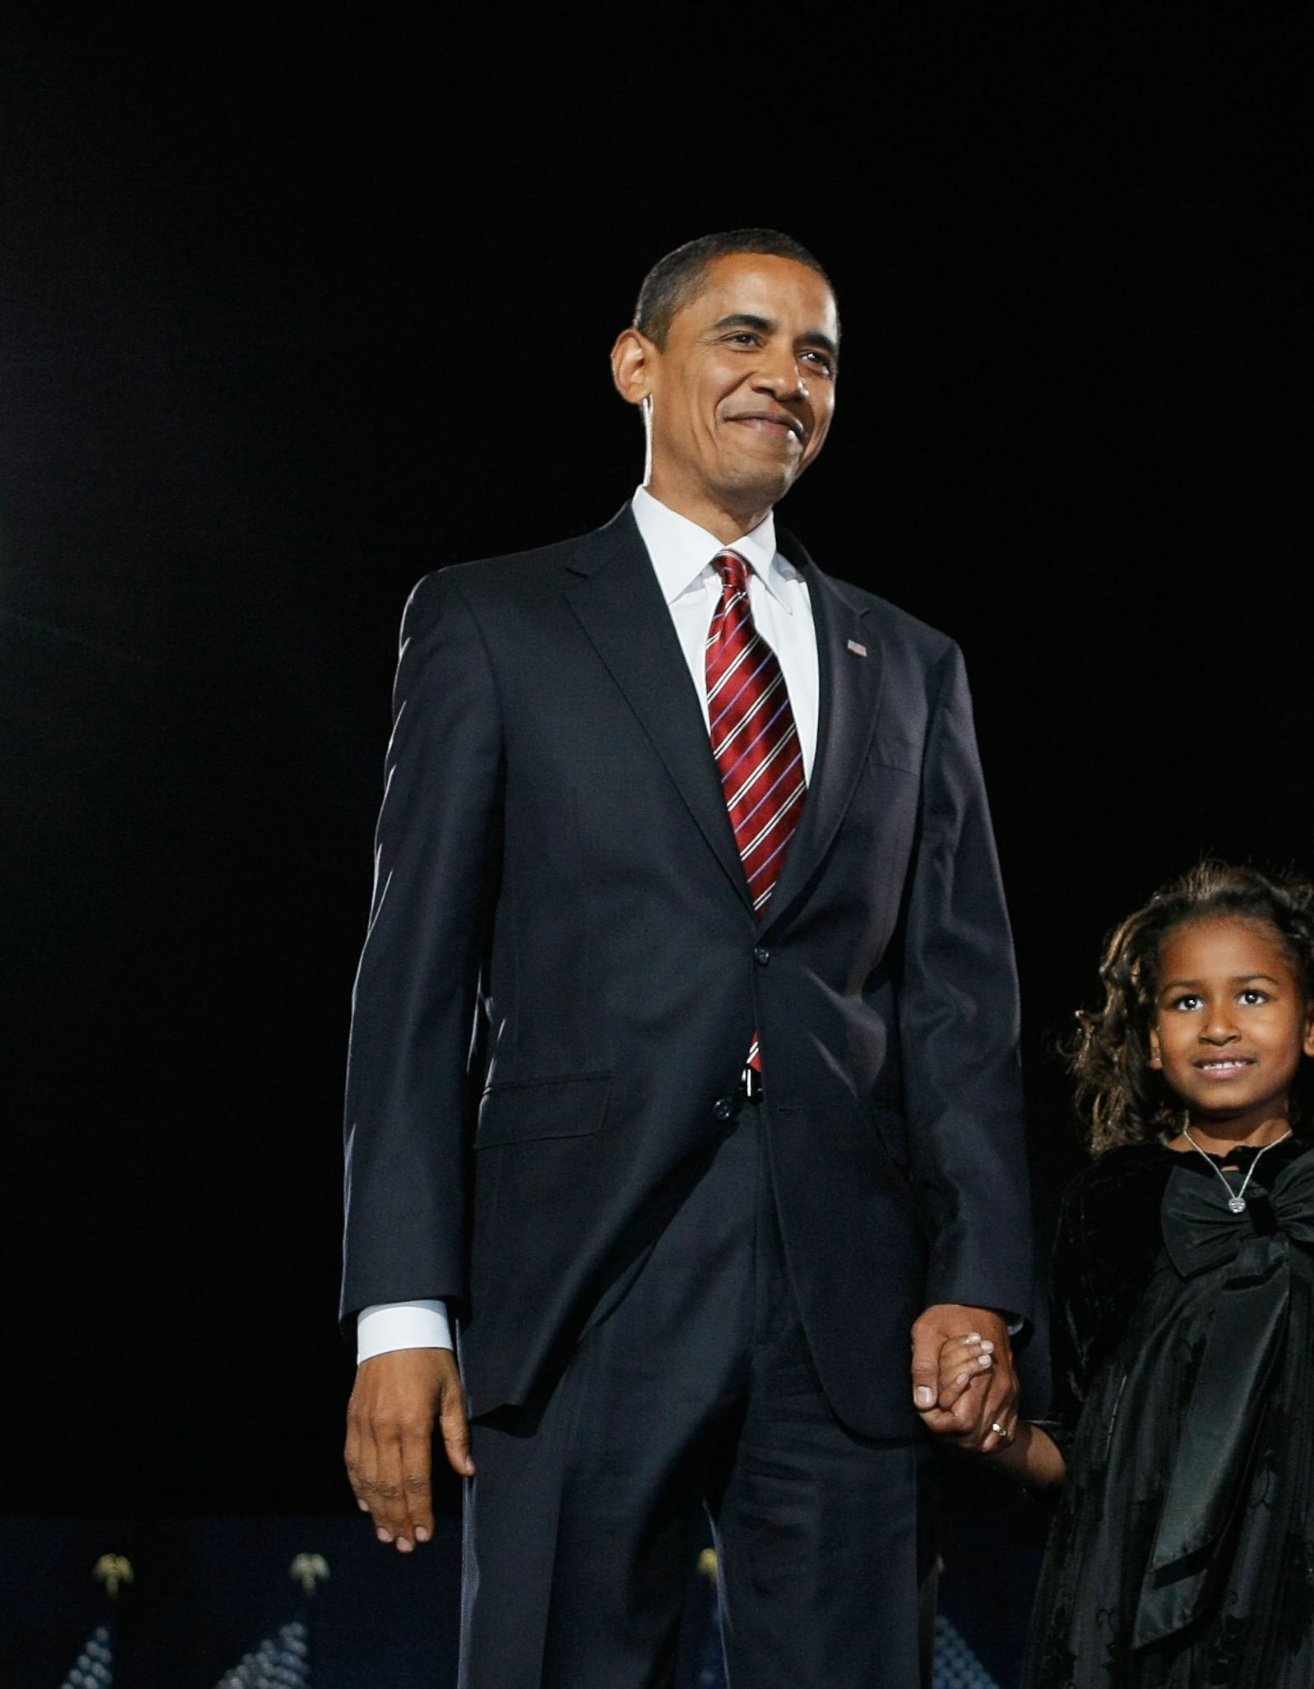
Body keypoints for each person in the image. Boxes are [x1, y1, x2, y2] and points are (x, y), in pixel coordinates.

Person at [337, 228, 1032, 1686]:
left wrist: (978, 1274)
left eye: (820, 355)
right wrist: (400, 1310)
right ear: (637, 365)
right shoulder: (490, 622)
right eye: (747, 338)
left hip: (845, 1299)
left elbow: (958, 1007)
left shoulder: (911, 666)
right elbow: (411, 991)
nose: (787, 377)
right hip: (584, 1274)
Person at [933, 860, 1314, 1686]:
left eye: (1252, 995)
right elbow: (1080, 1441)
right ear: (1148, 1039)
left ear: (1313, 1026)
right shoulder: (1109, 1201)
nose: (1217, 1025)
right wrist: (992, 1434)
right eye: (1185, 1001)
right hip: (1140, 1597)